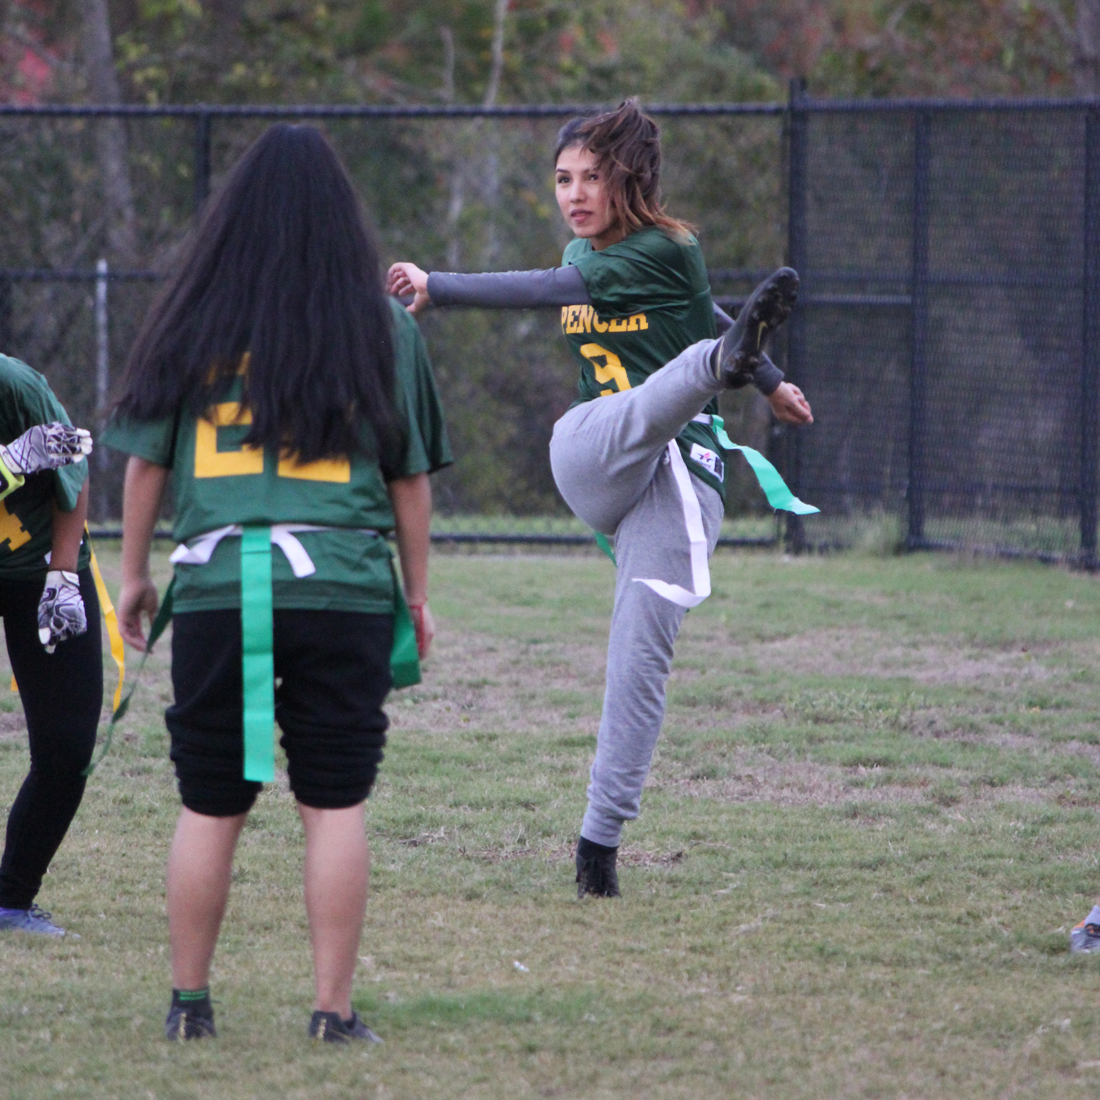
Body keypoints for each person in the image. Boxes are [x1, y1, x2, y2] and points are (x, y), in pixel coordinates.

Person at [388, 98, 814, 899]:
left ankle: (598, 846)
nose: (574, 194)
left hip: (680, 480)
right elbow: (562, 287)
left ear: (633, 179)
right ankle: (709, 370)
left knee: (639, 653)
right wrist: (756, 369)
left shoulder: (670, 248)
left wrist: (767, 374)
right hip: (596, 454)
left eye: (592, 177)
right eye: (563, 178)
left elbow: (706, 314)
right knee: (645, 400)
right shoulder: (583, 258)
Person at [105, 123, 451, 1042]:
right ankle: (332, 1015)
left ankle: (189, 1008)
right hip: (341, 588)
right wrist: (415, 593)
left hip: (218, 588)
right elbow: (409, 477)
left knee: (208, 802)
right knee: (333, 800)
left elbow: (144, 465)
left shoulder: (193, 316)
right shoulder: (381, 325)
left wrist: (134, 576)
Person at [0, 361, 96, 938]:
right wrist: (11, 463)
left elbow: (73, 470)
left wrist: (63, 573)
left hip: (35, 564)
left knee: (67, 746)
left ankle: (11, 899)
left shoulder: (17, 386)